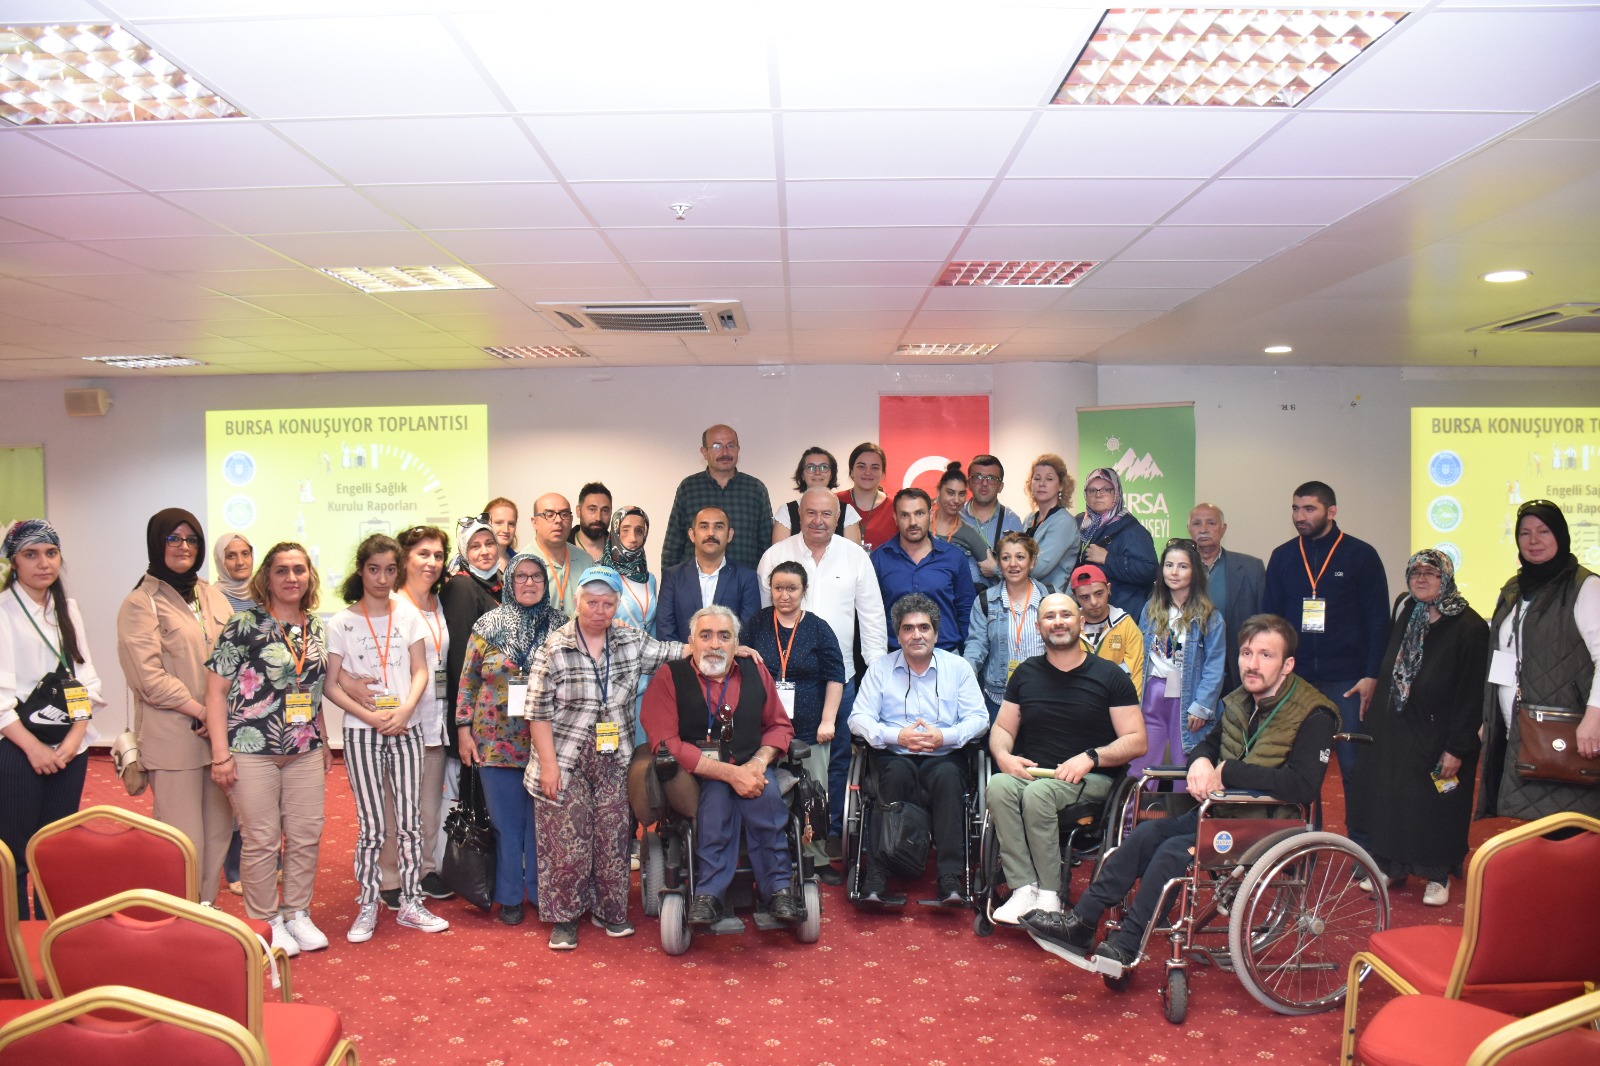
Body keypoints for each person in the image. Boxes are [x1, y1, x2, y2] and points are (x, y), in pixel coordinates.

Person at [1022, 614, 1338, 971]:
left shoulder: (1314, 713)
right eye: (1247, 653)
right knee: (1145, 834)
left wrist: (1229, 772)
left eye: (1266, 655)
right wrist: (1200, 760)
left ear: (1287, 664)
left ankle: (1127, 945)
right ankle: (1082, 921)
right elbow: (1210, 743)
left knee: (1172, 851)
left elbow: (1303, 786)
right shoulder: (1240, 701)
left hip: (1266, 825)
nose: (1252, 664)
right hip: (1219, 814)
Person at [526, 566, 687, 950]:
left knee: (614, 838)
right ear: (577, 602)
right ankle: (565, 919)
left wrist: (722, 647)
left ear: (617, 605)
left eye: (607, 604)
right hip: (564, 758)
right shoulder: (555, 648)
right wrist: (549, 767)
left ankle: (610, 910)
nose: (599, 611)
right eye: (591, 602)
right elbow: (537, 713)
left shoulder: (631, 640)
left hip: (614, 757)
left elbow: (674, 652)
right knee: (567, 842)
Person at [204, 541, 331, 959]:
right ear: (267, 578)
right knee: (261, 840)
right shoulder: (245, 624)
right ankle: (266, 921)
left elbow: (312, 688)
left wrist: (322, 739)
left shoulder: (317, 626)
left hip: (304, 747)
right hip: (251, 747)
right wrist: (220, 754)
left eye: (299, 569)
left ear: (309, 576)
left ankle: (297, 913)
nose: (292, 577)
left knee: (306, 835)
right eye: (282, 570)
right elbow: (215, 693)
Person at [987, 593, 1145, 924]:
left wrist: (1091, 757)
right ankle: (1022, 888)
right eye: (1049, 617)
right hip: (1037, 773)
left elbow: (1136, 740)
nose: (1058, 622)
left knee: (1038, 794)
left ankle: (1050, 896)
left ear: (1081, 622)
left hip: (1091, 778)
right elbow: (1002, 727)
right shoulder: (1025, 673)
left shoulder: (1110, 675)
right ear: (1038, 627)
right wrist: (1003, 756)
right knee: (998, 785)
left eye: (1066, 615)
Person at [640, 605, 800, 925]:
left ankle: (779, 889)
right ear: (691, 642)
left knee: (766, 799)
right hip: (699, 773)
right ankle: (709, 894)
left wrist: (758, 762)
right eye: (706, 635)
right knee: (715, 802)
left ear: (736, 643)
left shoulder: (755, 670)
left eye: (724, 636)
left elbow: (779, 726)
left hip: (752, 766)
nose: (715, 644)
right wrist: (731, 774)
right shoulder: (669, 676)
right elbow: (666, 743)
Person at [324, 534, 448, 942]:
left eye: (390, 570)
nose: (382, 578)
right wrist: (372, 717)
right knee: (373, 825)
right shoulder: (341, 622)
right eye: (374, 569)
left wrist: (406, 710)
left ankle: (411, 901)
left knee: (411, 821)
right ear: (361, 571)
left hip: (406, 728)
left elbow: (421, 670)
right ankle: (368, 902)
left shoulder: (408, 615)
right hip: (362, 732)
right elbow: (331, 685)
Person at [1351, 550, 1487, 907]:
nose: (1421, 579)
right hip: (1398, 728)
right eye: (1415, 573)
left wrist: (1457, 747)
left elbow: (1472, 694)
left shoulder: (1470, 626)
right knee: (1394, 799)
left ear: (1447, 577)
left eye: (1431, 573)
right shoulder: (1408, 612)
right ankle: (1392, 867)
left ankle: (1437, 876)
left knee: (1437, 804)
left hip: (1442, 734)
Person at [115, 509, 236, 905]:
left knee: (218, 832)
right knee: (182, 838)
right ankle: (180, 917)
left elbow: (236, 657)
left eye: (191, 539)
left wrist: (222, 715)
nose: (184, 546)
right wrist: (204, 712)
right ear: (157, 543)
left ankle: (206, 908)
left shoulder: (212, 595)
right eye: (174, 538)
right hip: (174, 737)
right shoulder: (140, 603)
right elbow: (147, 677)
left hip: (217, 739)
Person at [759, 487, 889, 851]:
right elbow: (763, 618)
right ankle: (782, 836)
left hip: (839, 679)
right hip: (782, 681)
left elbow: (872, 618)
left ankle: (828, 835)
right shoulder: (775, 556)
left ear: (838, 517)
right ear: (799, 515)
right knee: (778, 755)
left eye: (827, 514)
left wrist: (877, 674)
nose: (819, 521)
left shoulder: (855, 557)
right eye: (811, 513)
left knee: (836, 759)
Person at [1262, 481, 1389, 832]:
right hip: (1296, 680)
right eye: (1295, 508)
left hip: (1348, 681)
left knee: (1353, 766)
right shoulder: (1283, 556)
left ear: (1331, 511)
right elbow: (1270, 620)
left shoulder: (1360, 555)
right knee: (1297, 767)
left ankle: (1362, 844)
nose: (1299, 516)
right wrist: (1274, 674)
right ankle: (1300, 842)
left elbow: (1378, 620)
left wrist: (1372, 675)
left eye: (1309, 509)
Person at [848, 593, 989, 904]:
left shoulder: (958, 668)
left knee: (949, 778)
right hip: (895, 755)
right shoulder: (880, 669)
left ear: (936, 634)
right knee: (893, 774)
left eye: (924, 628)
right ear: (898, 635)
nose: (916, 635)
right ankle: (877, 874)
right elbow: (858, 719)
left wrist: (945, 737)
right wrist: (897, 736)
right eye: (908, 628)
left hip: (944, 756)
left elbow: (980, 719)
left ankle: (950, 877)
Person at [1, 520, 103, 920]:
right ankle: (15, 944)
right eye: (31, 555)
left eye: (51, 553)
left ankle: (53, 938)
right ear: (14, 561)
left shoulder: (67, 609)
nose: (43, 563)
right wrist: (34, 749)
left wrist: (75, 738)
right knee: (14, 854)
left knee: (56, 851)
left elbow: (83, 678)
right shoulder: (4, 610)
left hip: (68, 746)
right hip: (16, 746)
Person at [457, 552, 565, 926]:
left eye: (536, 576)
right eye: (521, 576)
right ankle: (509, 896)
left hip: (545, 742)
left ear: (546, 583)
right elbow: (468, 680)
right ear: (509, 582)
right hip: (494, 740)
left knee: (541, 824)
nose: (529, 583)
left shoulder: (561, 626)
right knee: (506, 824)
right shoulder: (487, 626)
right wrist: (463, 730)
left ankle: (539, 891)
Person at [1478, 500, 1600, 821]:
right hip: (1516, 734)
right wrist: (1490, 718)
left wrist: (1594, 719)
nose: (1533, 540)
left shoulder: (1585, 587)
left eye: (1543, 531)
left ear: (1560, 535)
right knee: (1520, 829)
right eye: (1525, 533)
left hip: (1567, 736)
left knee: (1566, 831)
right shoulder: (1513, 589)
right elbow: (1505, 654)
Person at [741, 561, 846, 883]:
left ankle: (817, 860)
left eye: (791, 588)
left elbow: (836, 676)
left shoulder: (818, 628)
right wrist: (740, 649)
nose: (784, 595)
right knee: (766, 793)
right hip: (764, 730)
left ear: (804, 590)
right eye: (778, 588)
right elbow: (738, 660)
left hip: (810, 729)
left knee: (813, 795)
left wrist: (828, 720)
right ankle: (770, 857)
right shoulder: (757, 623)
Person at [381, 525, 456, 905]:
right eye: (423, 554)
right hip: (400, 725)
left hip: (433, 723)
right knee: (395, 809)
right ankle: (390, 877)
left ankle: (425, 870)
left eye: (438, 555)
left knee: (428, 808)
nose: (432, 562)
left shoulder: (439, 603)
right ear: (404, 558)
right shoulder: (391, 605)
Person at [1129, 539, 1226, 782]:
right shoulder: (1150, 608)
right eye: (1169, 565)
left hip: (1188, 694)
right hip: (1152, 690)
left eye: (1183, 566)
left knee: (1185, 760)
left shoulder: (1210, 616)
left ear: (1195, 572)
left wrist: (1202, 705)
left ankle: (1182, 808)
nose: (1174, 572)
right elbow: (1139, 653)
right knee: (1141, 760)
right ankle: (1137, 807)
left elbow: (1215, 666)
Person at [873, 488, 976, 653]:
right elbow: (871, 616)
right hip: (895, 655)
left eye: (919, 513)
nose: (913, 522)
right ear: (895, 518)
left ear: (931, 514)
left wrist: (966, 659)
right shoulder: (879, 559)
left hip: (946, 654)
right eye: (904, 515)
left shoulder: (954, 557)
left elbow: (967, 612)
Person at [660, 424, 772, 573]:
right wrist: (669, 582)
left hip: (743, 583)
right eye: (717, 446)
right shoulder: (689, 488)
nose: (725, 452)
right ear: (704, 452)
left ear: (738, 449)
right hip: (693, 582)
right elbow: (673, 545)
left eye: (730, 445)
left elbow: (767, 547)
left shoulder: (756, 489)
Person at [964, 532, 1050, 717]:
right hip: (998, 698)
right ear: (999, 563)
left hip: (1043, 695)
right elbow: (976, 645)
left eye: (1020, 557)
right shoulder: (985, 601)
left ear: (1032, 562)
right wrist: (965, 673)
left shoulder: (1050, 598)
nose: (1013, 564)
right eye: (1005, 558)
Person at [441, 516, 503, 768]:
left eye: (489, 543)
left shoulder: (499, 582)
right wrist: (464, 723)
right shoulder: (461, 587)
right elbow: (460, 660)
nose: (484, 551)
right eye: (475, 546)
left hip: (495, 706)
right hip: (474, 712)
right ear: (464, 551)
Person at [1188, 503, 1265, 693]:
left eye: (1211, 523)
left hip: (1235, 666)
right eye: (1197, 523)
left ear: (1223, 529)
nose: (1203, 529)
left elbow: (1265, 621)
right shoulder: (1175, 568)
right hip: (1189, 665)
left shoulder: (1251, 568)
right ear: (1189, 529)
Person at [657, 507, 761, 644]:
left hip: (731, 657)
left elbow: (748, 632)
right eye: (704, 527)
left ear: (729, 535)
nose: (711, 533)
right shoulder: (673, 577)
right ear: (692, 534)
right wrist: (689, 654)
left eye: (719, 527)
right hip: (681, 657)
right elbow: (665, 630)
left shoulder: (746, 578)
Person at [1075, 468, 1158, 619]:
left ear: (1117, 493)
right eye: (1092, 490)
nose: (1098, 495)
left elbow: (1149, 570)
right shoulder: (1080, 524)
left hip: (1124, 616)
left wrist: (1108, 559)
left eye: (1106, 489)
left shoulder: (1132, 529)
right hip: (1090, 615)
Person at [1069, 563, 1144, 699]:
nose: (1093, 602)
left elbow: (1136, 674)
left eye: (1099, 594)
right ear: (1075, 597)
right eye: (1085, 597)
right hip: (1078, 702)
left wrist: (1130, 706)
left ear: (1108, 589)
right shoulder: (1069, 626)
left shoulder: (1125, 624)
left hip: (1117, 702)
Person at [772, 446, 862, 545]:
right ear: (802, 474)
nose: (817, 472)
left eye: (824, 467)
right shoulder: (785, 511)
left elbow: (852, 553)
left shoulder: (848, 511)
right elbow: (779, 553)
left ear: (831, 474)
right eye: (810, 467)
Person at [960, 454, 1024, 593]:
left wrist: (996, 569)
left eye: (991, 479)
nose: (984, 483)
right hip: (958, 599)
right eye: (978, 477)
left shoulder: (1011, 521)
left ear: (1000, 486)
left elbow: (1022, 572)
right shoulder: (956, 518)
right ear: (968, 483)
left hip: (998, 601)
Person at [931, 461, 995, 588]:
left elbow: (993, 569)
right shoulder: (921, 524)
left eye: (961, 494)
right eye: (950, 493)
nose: (956, 500)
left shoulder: (968, 533)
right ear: (939, 491)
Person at [1022, 454, 1080, 592]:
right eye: (1037, 478)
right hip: (1029, 597)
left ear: (1061, 485)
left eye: (1049, 479)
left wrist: (998, 568)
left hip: (1053, 600)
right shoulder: (1029, 519)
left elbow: (1038, 569)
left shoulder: (1064, 522)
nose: (1042, 483)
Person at [528, 493, 583, 616]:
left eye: (564, 514)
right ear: (534, 522)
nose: (558, 520)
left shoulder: (586, 560)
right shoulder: (521, 565)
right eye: (549, 515)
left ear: (571, 520)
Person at [840, 442, 897, 553]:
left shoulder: (895, 507)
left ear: (883, 474)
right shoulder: (835, 502)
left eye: (875, 468)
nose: (868, 472)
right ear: (851, 471)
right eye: (861, 467)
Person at [569, 482, 613, 565]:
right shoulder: (561, 546)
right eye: (592, 509)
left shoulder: (619, 551)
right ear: (578, 511)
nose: (598, 518)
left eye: (605, 511)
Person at [211, 532, 256, 613]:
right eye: (231, 556)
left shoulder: (265, 594)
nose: (240, 562)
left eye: (245, 554)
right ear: (220, 561)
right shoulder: (211, 597)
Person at [484, 497, 519, 565]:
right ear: (485, 523)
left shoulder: (521, 562)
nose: (506, 530)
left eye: (511, 524)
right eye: (499, 523)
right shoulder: (471, 562)